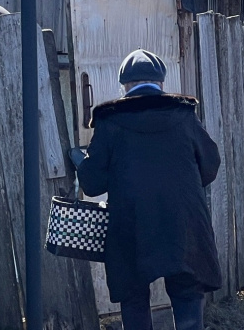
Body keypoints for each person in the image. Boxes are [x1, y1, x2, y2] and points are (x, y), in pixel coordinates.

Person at [70, 49, 222, 330]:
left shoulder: (109, 120)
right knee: (187, 290)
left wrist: (79, 159)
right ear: (161, 83)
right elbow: (210, 165)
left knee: (134, 295)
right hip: (184, 222)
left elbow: (92, 184)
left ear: (125, 85)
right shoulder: (184, 114)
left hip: (132, 224)